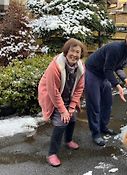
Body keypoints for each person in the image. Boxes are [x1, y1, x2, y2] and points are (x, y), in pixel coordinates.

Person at [85, 30, 127, 146]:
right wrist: (117, 86)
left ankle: (103, 127)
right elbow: (108, 69)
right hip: (93, 72)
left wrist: (125, 79)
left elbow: (119, 68)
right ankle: (96, 133)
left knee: (107, 102)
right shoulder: (115, 48)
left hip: (104, 75)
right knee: (95, 104)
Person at [38, 38, 87, 167]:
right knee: (61, 122)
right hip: (52, 96)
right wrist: (63, 110)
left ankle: (68, 140)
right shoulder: (55, 67)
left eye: (78, 52)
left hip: (68, 96)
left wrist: (71, 108)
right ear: (66, 51)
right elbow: (53, 92)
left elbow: (79, 88)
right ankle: (52, 153)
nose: (74, 54)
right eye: (72, 51)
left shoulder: (81, 67)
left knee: (72, 118)